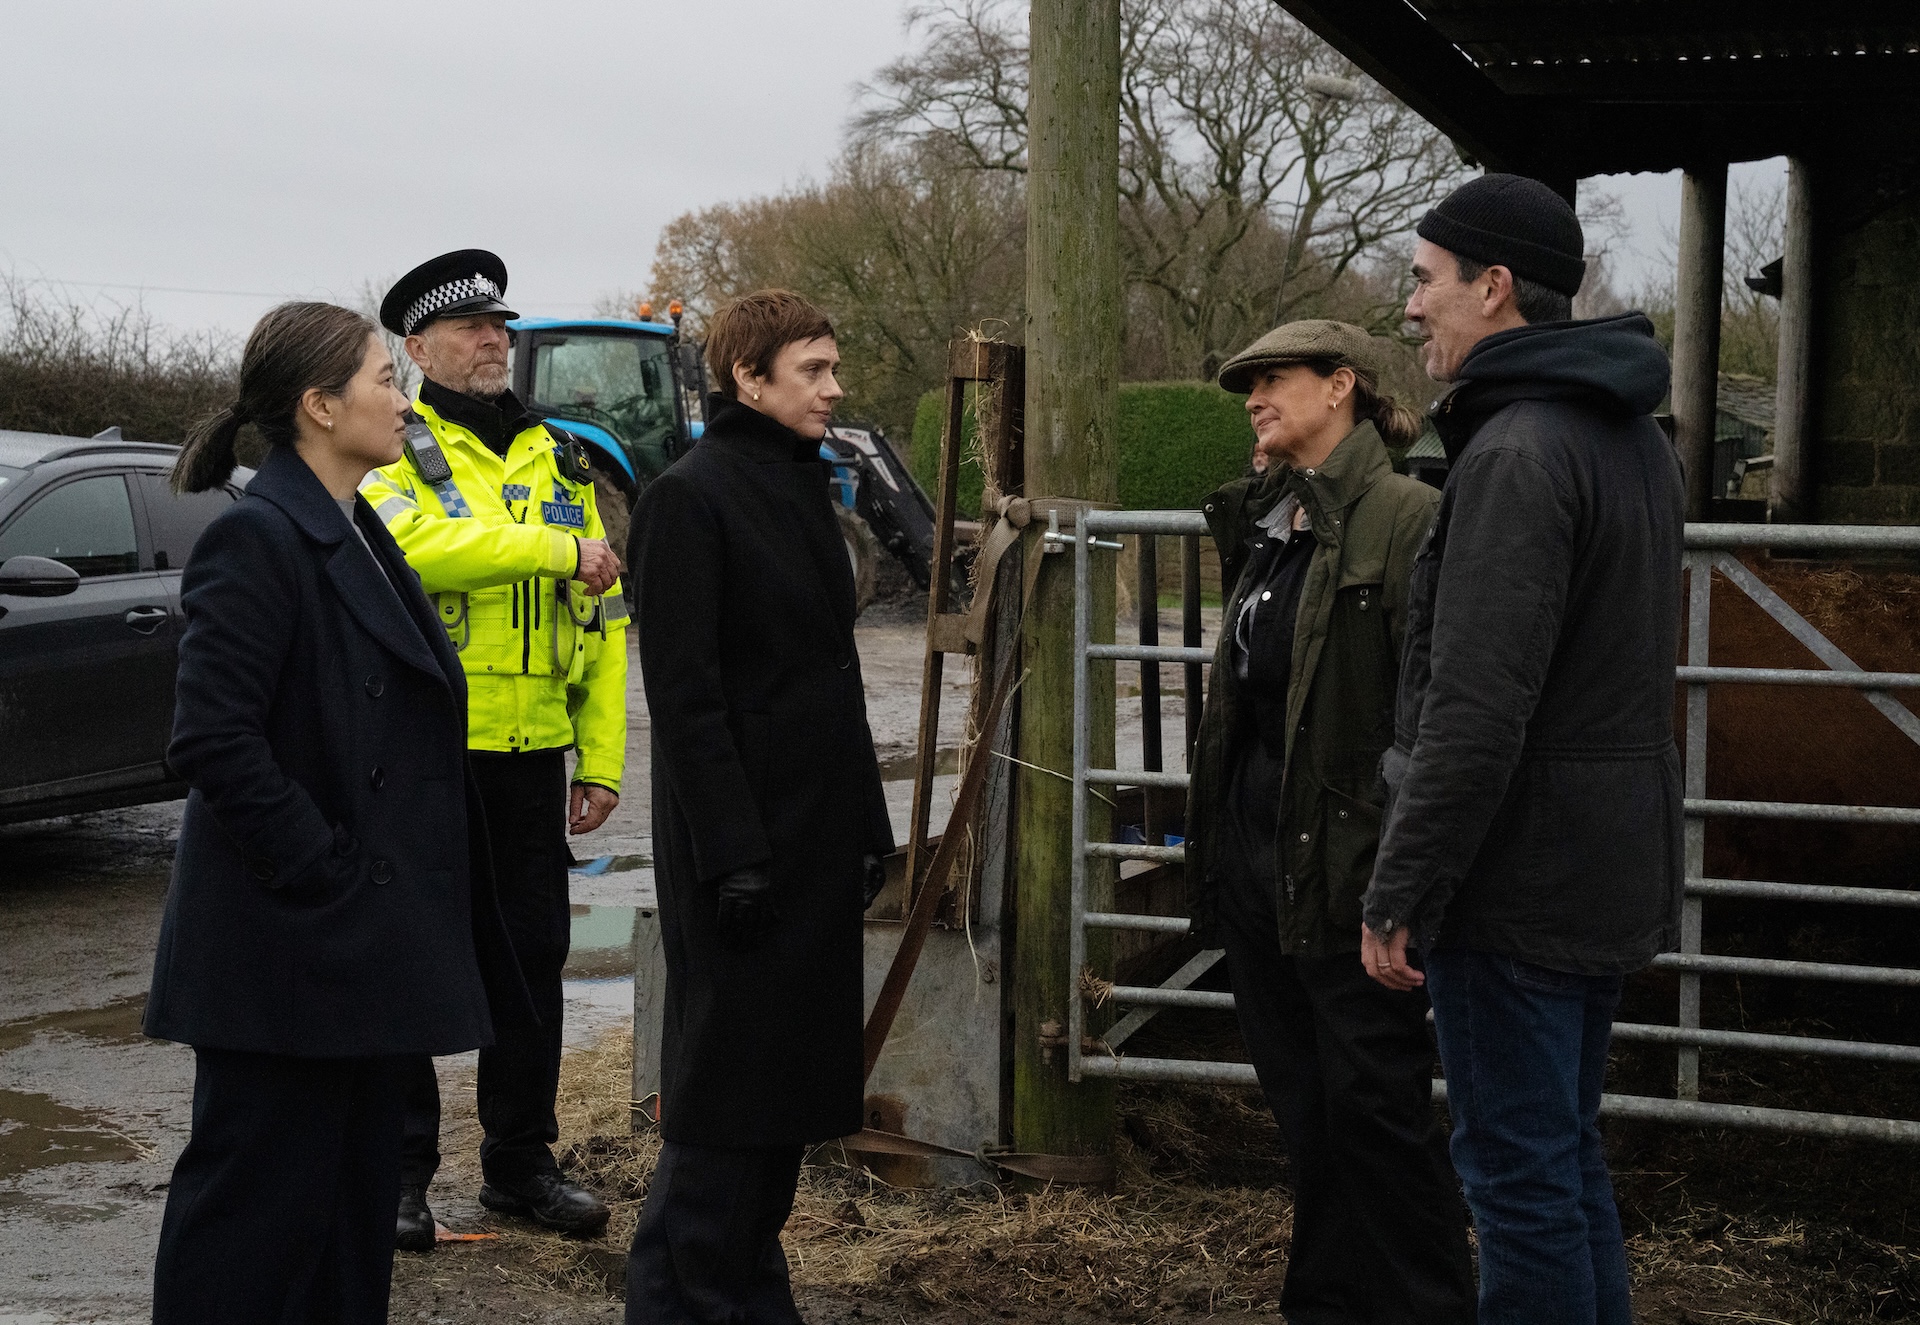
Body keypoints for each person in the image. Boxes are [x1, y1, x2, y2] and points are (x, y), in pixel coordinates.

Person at [145, 301, 529, 1322]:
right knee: (250, 1228)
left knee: (346, 1225)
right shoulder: (258, 538)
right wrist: (330, 869)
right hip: (286, 958)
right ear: (319, 405)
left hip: (358, 958)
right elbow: (213, 741)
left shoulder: (357, 528)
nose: (401, 400)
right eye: (382, 380)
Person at [1360, 174, 1685, 1325]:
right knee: (1562, 1158)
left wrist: (1404, 882)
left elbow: (1476, 707)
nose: (1410, 306)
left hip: (1519, 875)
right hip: (1604, 856)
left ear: (1493, 287)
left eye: (1423, 278)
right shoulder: (1629, 438)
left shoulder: (1516, 454)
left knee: (1516, 1176)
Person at [1185, 320, 1471, 1323]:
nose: (1254, 397)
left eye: (1274, 378)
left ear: (1341, 384)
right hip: (1261, 867)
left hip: (1353, 870)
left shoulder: (1407, 518)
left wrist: (1403, 867)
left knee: (1377, 1114)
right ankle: (1328, 1303)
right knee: (1307, 1112)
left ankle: (1431, 1303)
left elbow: (1433, 705)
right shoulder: (1271, 524)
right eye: (1246, 382)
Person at [623, 289, 893, 1323]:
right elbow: (686, 698)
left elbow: (831, 680)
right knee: (727, 1119)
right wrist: (734, 853)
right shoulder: (688, 499)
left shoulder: (801, 491)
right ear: (749, 377)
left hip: (813, 850)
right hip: (743, 870)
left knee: (772, 1117)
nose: (834, 387)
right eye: (814, 369)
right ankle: (705, 1298)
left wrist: (868, 828)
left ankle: (728, 1292)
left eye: (833, 367)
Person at [360, 249, 629, 1245]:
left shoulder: (559, 456)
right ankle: (399, 1174)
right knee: (414, 959)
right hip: (428, 752)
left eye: (500, 326)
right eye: (471, 328)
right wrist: (555, 547)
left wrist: (599, 758)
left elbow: (603, 617)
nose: (493, 340)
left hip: (531, 757)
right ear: (418, 347)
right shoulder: (394, 444)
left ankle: (520, 1164)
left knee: (531, 964)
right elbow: (410, 550)